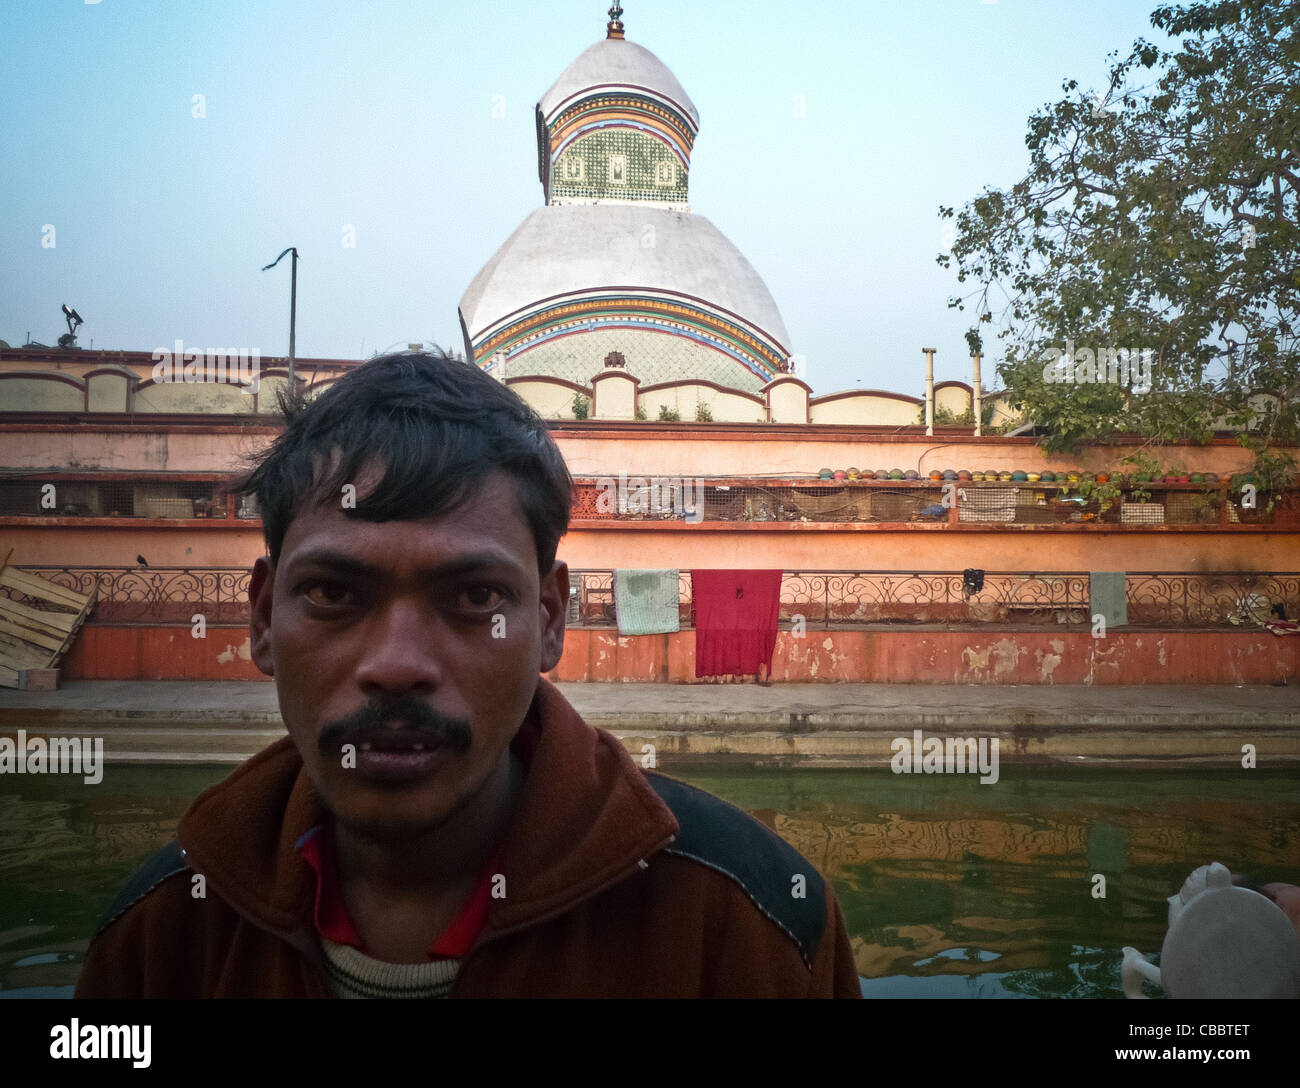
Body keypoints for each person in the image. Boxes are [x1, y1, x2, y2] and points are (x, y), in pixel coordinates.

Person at [75, 349, 861, 999]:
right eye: (334, 594)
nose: (396, 667)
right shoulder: (163, 934)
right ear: (260, 618)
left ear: (550, 618)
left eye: (474, 597)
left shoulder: (744, 924)